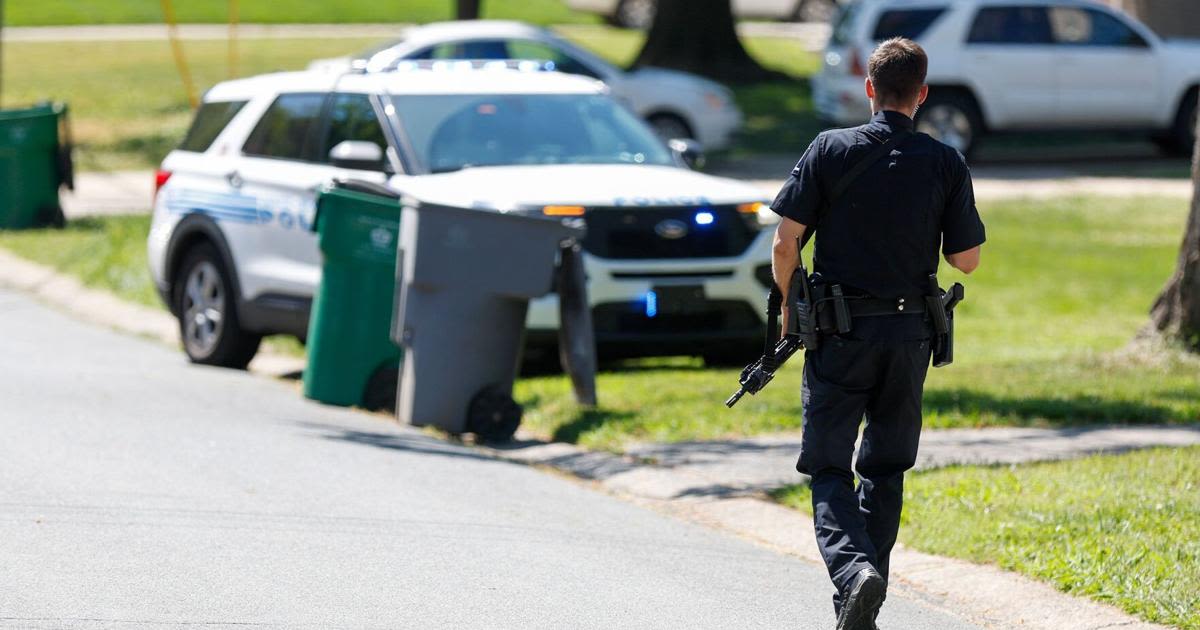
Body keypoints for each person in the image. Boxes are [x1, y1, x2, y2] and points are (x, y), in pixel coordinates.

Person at [768, 38, 985, 630]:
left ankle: (853, 573)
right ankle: (862, 599)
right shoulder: (945, 161)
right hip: (911, 337)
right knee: (885, 469)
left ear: (869, 86)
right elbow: (966, 260)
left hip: (840, 335)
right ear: (922, 94)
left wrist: (790, 305)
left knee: (830, 468)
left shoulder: (829, 149)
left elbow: (786, 243)